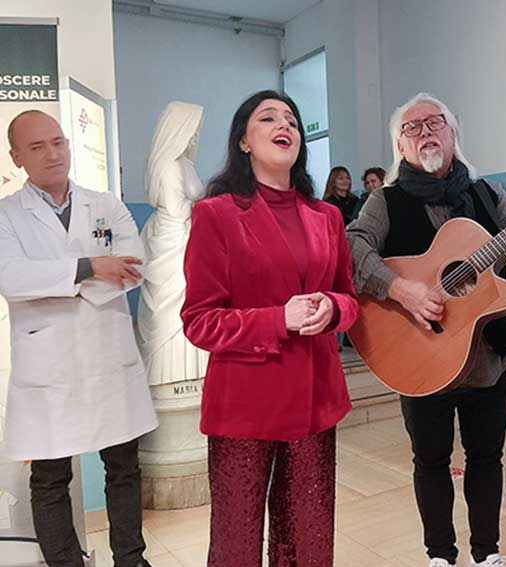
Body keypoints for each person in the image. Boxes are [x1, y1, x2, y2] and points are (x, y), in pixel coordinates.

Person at [346, 92, 506, 567]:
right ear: (400, 146)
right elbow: (350, 247)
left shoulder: (488, 195)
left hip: (485, 357)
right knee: (430, 460)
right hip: (418, 354)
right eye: (412, 128)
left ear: (454, 134)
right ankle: (440, 554)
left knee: (486, 457)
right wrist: (400, 290)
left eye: (435, 123)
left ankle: (486, 552)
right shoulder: (384, 201)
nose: (425, 132)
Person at [180, 90, 357, 567]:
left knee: (309, 537)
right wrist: (278, 319)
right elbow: (199, 321)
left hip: (315, 400)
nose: (286, 126)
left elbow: (349, 298)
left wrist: (332, 309)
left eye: (294, 121)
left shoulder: (328, 217)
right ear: (243, 140)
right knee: (237, 541)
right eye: (269, 118)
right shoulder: (215, 215)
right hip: (245, 404)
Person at [0, 110, 158, 567]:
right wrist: (89, 267)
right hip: (48, 361)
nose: (53, 154)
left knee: (124, 466)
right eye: (37, 147)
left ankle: (131, 559)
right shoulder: (8, 215)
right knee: (50, 476)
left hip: (107, 353)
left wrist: (56, 285)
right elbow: (11, 277)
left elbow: (134, 265)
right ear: (16, 157)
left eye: (59, 142)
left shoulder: (104, 204)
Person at [137, 100, 209, 386]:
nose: (194, 137)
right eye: (191, 130)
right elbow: (177, 210)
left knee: (190, 299)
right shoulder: (169, 165)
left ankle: (192, 364)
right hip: (174, 240)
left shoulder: (184, 164)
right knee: (173, 304)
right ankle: (172, 370)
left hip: (187, 235)